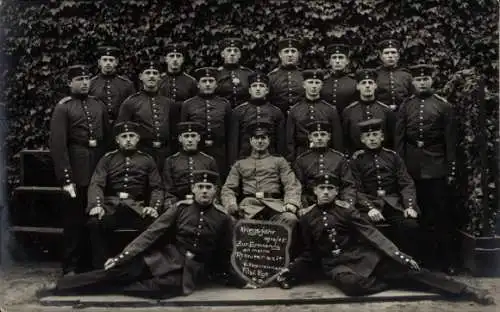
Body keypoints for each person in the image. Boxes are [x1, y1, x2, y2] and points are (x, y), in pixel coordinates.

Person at [274, 173, 494, 306]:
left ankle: (466, 291)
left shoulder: (347, 212)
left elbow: (372, 234)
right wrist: (291, 272)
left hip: (365, 258)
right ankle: (393, 281)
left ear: (336, 192)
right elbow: (310, 253)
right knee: (351, 286)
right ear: (314, 190)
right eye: (321, 188)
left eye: (330, 188)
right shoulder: (307, 217)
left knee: (412, 272)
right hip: (338, 265)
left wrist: (400, 256)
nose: (325, 192)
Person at [54, 170, 236, 299]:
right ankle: (61, 287)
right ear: (193, 190)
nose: (204, 191)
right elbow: (151, 233)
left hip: (190, 269)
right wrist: (121, 257)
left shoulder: (223, 218)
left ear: (215, 190)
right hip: (165, 257)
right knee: (120, 272)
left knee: (161, 288)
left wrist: (240, 280)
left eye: (209, 187)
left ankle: (113, 289)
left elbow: (228, 251)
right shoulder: (180, 208)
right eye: (200, 186)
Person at [395, 64, 458, 273]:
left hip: (436, 165)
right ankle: (420, 260)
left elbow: (450, 141)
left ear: (432, 81)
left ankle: (446, 261)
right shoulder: (406, 106)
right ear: (412, 82)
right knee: (415, 215)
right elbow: (400, 140)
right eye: (418, 80)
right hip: (412, 167)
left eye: (425, 79)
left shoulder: (443, 106)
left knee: (440, 215)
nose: (422, 83)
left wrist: (450, 169)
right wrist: (401, 168)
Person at [49, 64, 110, 275]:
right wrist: (67, 179)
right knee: (74, 220)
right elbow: (58, 146)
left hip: (97, 168)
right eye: (79, 79)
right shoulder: (64, 107)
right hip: (77, 168)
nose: (85, 83)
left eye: (87, 79)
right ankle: (71, 267)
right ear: (70, 83)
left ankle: (93, 265)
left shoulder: (98, 105)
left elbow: (108, 140)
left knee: (95, 219)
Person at [86, 121, 164, 269]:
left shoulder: (147, 160)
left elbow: (157, 187)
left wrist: (153, 207)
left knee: (152, 224)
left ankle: (142, 268)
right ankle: (100, 268)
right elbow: (97, 183)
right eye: (124, 136)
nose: (128, 139)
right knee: (94, 223)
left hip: (136, 208)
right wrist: (97, 205)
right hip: (112, 207)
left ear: (137, 138)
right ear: (117, 140)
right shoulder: (107, 159)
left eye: (131, 136)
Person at [350, 119, 420, 257]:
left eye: (375, 135)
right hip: (370, 205)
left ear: (382, 137)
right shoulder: (357, 160)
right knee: (367, 229)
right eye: (368, 136)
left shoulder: (393, 157)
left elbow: (406, 183)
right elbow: (355, 188)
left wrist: (409, 206)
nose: (372, 139)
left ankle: (410, 264)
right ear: (362, 140)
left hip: (393, 204)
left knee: (410, 226)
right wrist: (369, 208)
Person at [221, 121, 301, 229]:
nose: (260, 141)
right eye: (256, 138)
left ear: (268, 140)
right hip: (248, 208)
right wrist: (231, 204)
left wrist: (291, 203)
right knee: (230, 221)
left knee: (290, 219)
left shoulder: (279, 161)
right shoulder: (240, 164)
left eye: (263, 138)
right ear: (250, 140)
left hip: (275, 207)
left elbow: (291, 184)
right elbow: (229, 188)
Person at [117, 58, 176, 172]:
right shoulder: (131, 102)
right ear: (140, 76)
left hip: (166, 153)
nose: (151, 76)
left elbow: (174, 131)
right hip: (141, 153)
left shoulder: (169, 103)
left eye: (155, 73)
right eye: (148, 73)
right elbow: (121, 131)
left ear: (160, 77)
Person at [181, 67, 232, 178]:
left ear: (216, 84)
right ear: (198, 84)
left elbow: (229, 132)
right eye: (204, 81)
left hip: (219, 151)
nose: (208, 84)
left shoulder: (224, 104)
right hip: (198, 150)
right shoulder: (188, 104)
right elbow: (183, 131)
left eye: (211, 81)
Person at [293, 121, 355, 208]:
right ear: (310, 137)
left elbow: (348, 185)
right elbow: (299, 188)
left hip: (336, 204)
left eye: (323, 134)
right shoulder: (302, 160)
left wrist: (347, 203)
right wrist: (304, 206)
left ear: (329, 136)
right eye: (315, 135)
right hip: (311, 205)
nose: (319, 138)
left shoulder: (339, 158)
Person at [229, 72, 286, 165]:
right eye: (254, 86)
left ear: (267, 90)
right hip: (245, 159)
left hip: (270, 160)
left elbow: (281, 141)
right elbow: (233, 141)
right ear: (249, 90)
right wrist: (233, 163)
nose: (258, 89)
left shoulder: (276, 112)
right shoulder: (238, 111)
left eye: (262, 86)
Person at [286, 69, 343, 161]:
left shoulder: (330, 110)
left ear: (321, 85)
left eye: (317, 83)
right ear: (304, 85)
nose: (313, 86)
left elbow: (337, 138)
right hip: (301, 154)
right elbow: (290, 139)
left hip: (326, 154)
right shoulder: (295, 110)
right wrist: (291, 158)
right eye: (310, 82)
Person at [163, 122, 218, 210]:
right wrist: (174, 206)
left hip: (204, 205)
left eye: (193, 136)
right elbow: (168, 190)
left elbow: (216, 188)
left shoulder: (209, 160)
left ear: (198, 138)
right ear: (180, 139)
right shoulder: (170, 161)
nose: (190, 140)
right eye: (186, 136)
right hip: (179, 205)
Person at [342, 69, 395, 154]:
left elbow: (392, 139)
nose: (367, 86)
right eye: (363, 83)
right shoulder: (348, 111)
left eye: (370, 83)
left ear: (375, 86)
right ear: (357, 87)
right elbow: (345, 139)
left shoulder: (386, 110)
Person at [89, 45, 136, 125]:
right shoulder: (91, 84)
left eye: (111, 60)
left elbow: (133, 109)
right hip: (98, 126)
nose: (108, 63)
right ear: (99, 62)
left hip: (121, 127)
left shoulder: (127, 84)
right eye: (105, 60)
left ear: (116, 62)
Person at [268, 38, 304, 114]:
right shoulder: (271, 77)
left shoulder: (304, 76)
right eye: (286, 51)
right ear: (280, 54)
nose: (290, 55)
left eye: (293, 51)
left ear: (298, 54)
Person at [320, 39, 357, 114]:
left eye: (341, 57)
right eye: (334, 57)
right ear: (330, 62)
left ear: (347, 61)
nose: (337, 61)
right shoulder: (323, 82)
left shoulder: (355, 82)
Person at [375, 39, 413, 111]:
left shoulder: (406, 75)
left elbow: (412, 98)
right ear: (380, 56)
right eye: (386, 53)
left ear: (398, 55)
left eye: (393, 52)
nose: (390, 56)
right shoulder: (376, 75)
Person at [215, 37, 254, 107]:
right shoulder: (216, 74)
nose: (232, 53)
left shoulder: (249, 74)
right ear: (222, 54)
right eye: (229, 50)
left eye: (236, 51)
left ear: (239, 55)